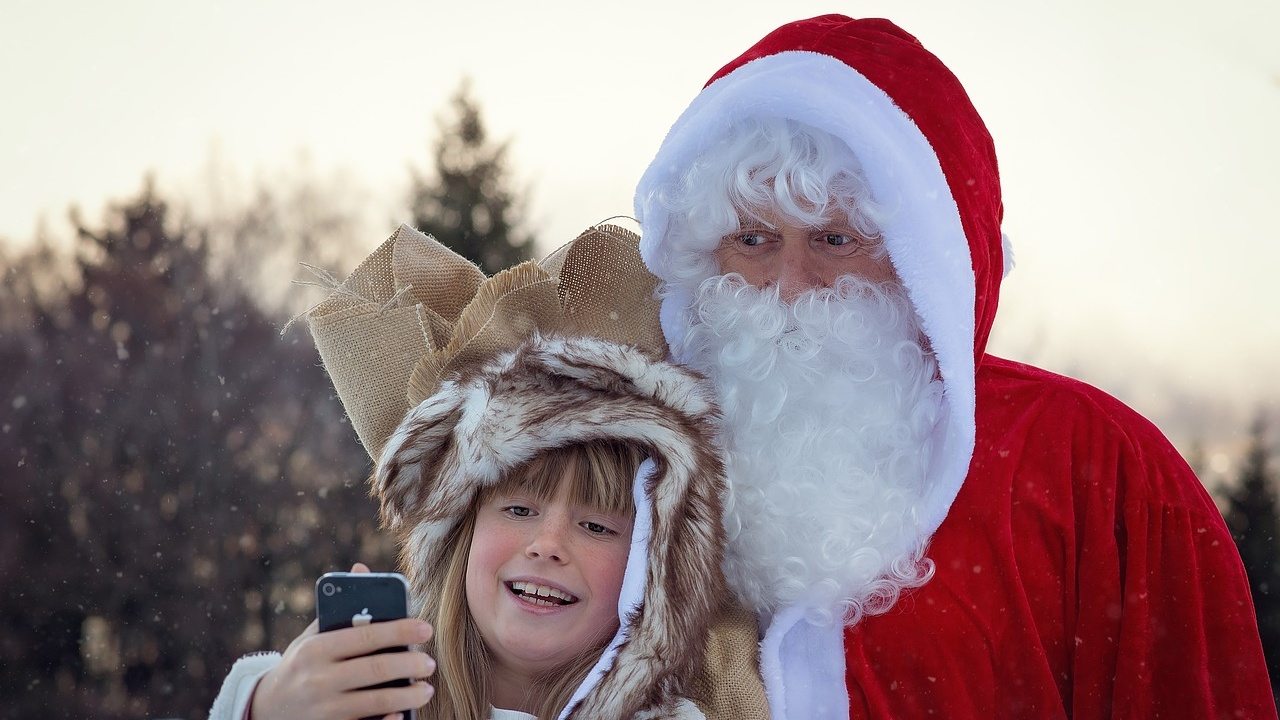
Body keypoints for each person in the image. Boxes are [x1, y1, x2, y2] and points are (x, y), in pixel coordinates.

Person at [633, 14, 1277, 720]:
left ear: (921, 262)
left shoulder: (1092, 465)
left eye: (834, 239)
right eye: (752, 239)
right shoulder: (619, 459)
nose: (789, 285)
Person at [210, 226, 728, 719]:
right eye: (519, 509)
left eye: (596, 526)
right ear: (460, 533)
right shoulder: (357, 705)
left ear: (652, 571)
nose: (547, 545)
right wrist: (264, 708)